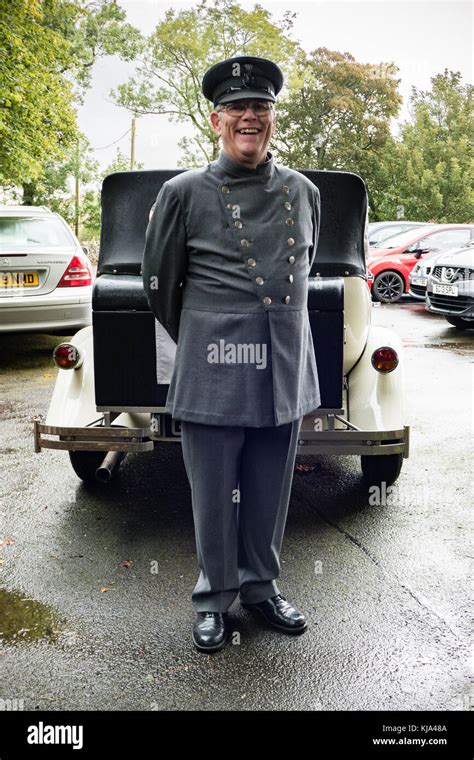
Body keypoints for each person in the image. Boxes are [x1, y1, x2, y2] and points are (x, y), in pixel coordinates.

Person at [142, 56, 321, 653]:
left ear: (272, 117)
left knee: (269, 490)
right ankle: (213, 597)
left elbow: (303, 271)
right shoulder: (182, 193)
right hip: (214, 368)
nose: (251, 117)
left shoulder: (304, 191)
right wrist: (208, 336)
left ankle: (261, 588)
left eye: (261, 107)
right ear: (217, 120)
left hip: (284, 367)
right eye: (239, 108)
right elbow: (161, 286)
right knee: (214, 493)